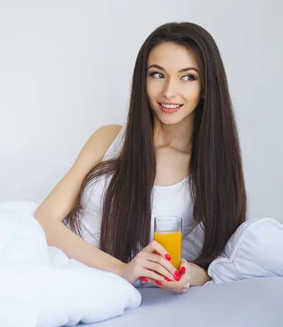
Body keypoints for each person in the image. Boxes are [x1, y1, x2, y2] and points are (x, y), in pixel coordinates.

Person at [34, 22, 247, 294]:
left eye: (188, 77)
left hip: (93, 287)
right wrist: (120, 270)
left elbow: (218, 260)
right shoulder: (109, 138)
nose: (169, 91)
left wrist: (192, 274)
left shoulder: (210, 172)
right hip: (50, 260)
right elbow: (44, 219)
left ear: (206, 86)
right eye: (157, 74)